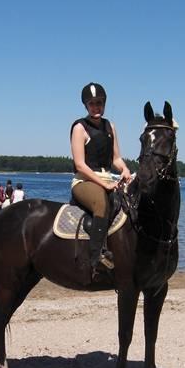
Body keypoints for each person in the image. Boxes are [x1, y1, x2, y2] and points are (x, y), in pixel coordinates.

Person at [70, 82, 131, 273]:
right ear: (86, 106)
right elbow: (80, 164)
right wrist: (105, 184)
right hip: (85, 180)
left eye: (99, 103)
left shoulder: (109, 126)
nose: (96, 107)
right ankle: (96, 256)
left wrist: (125, 170)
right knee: (101, 204)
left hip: (108, 178)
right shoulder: (80, 128)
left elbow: (116, 159)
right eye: (92, 103)